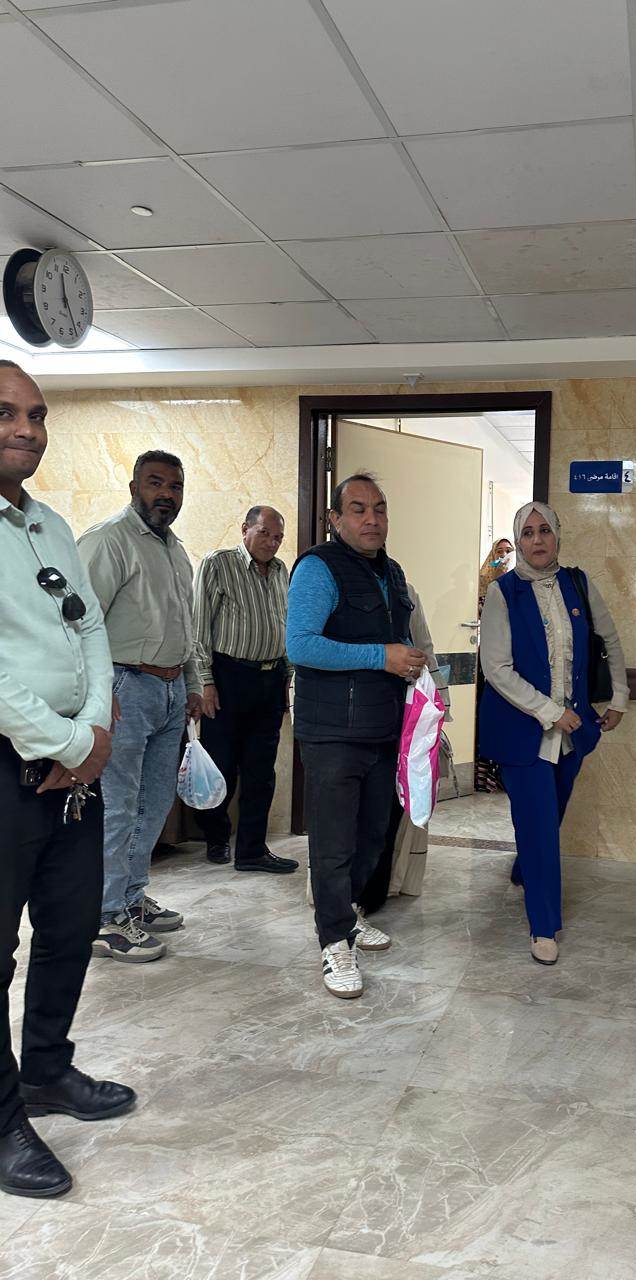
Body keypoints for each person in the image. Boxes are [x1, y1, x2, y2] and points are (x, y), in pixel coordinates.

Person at [0, 360, 135, 1200]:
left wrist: (90, 735)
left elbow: (89, 632)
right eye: (7, 413)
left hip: (72, 768)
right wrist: (66, 741)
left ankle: (47, 1070)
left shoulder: (49, 525)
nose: (27, 429)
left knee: (71, 926)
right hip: (8, 765)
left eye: (38, 415)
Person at [287, 474, 426, 999]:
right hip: (332, 733)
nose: (372, 519)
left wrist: (412, 665)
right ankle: (333, 942)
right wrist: (381, 656)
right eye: (359, 509)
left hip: (383, 729)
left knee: (372, 838)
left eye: (380, 509)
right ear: (335, 518)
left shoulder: (392, 571)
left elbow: (397, 638)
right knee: (333, 844)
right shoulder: (318, 567)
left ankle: (348, 914)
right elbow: (301, 645)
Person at [478, 502, 629, 965]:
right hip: (522, 733)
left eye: (545, 530)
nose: (537, 539)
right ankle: (543, 925)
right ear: (518, 541)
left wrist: (619, 696)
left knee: (550, 813)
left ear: (557, 535)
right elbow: (496, 668)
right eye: (527, 532)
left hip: (572, 731)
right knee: (541, 826)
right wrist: (549, 711)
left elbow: (610, 639)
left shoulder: (577, 583)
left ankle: (525, 868)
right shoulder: (503, 593)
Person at [78, 451, 203, 963]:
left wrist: (192, 682)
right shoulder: (108, 541)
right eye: (156, 483)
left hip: (169, 692)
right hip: (124, 688)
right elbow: (78, 626)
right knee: (119, 806)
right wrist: (98, 693)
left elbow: (185, 626)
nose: (166, 494)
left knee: (154, 804)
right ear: (134, 487)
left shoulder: (176, 551)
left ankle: (130, 898)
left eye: (175, 486)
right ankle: (105, 917)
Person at [192, 505, 298, 875]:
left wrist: (288, 677)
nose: (272, 542)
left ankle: (252, 850)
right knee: (222, 765)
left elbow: (286, 624)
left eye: (278, 537)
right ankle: (216, 837)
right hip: (228, 677)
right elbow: (199, 627)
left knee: (261, 771)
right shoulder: (218, 564)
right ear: (245, 529)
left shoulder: (282, 571)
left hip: (270, 679)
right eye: (265, 533)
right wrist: (205, 681)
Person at [357, 580, 452, 911]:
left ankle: (375, 890)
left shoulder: (404, 589)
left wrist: (441, 708)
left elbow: (424, 645)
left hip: (400, 713)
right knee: (348, 810)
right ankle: (342, 895)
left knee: (389, 804)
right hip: (348, 716)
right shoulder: (330, 583)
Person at [475, 536, 513, 793]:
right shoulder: (482, 586)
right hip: (487, 659)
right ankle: (484, 776)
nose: (503, 556)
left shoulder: (520, 586)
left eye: (508, 551)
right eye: (499, 551)